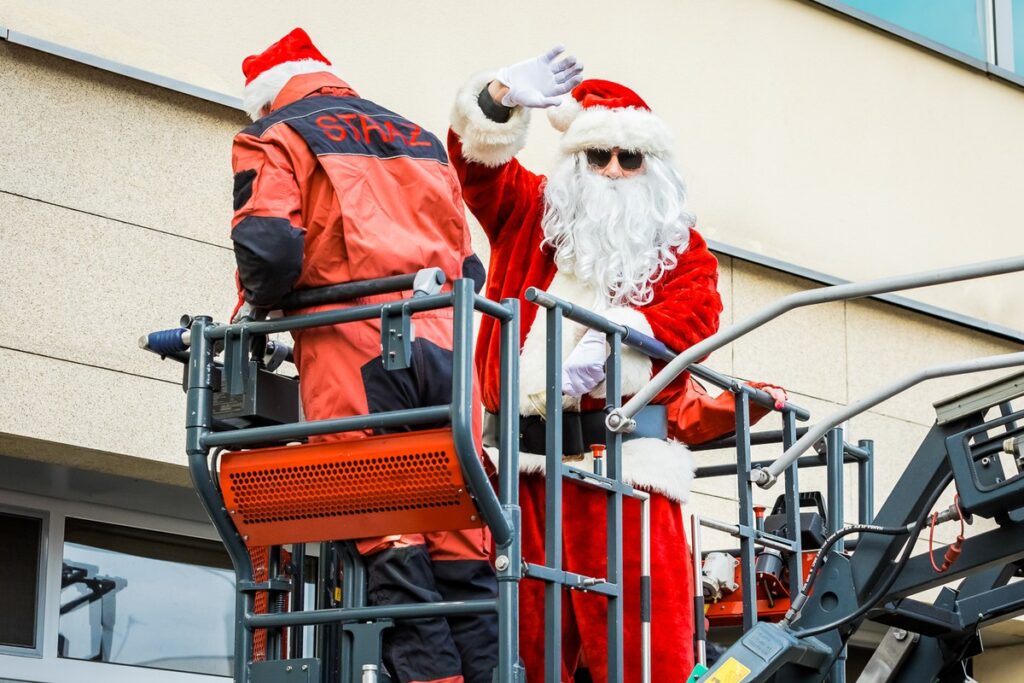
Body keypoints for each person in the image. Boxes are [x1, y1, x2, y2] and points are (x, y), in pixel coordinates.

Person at [448, 49, 786, 681]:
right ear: (574, 161)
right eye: (596, 155)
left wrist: (614, 339)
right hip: (521, 476)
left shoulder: (679, 246)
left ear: (651, 167)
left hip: (624, 471)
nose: (611, 170)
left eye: (628, 158)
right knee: (520, 651)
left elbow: (697, 313)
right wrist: (499, 100)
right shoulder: (532, 216)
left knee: (640, 652)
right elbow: (476, 172)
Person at [231, 28, 494, 683]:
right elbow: (471, 267)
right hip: (446, 352)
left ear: (263, 97)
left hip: (355, 350)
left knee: (389, 534)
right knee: (460, 544)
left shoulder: (275, 133)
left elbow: (267, 248)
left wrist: (257, 315)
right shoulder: (419, 139)